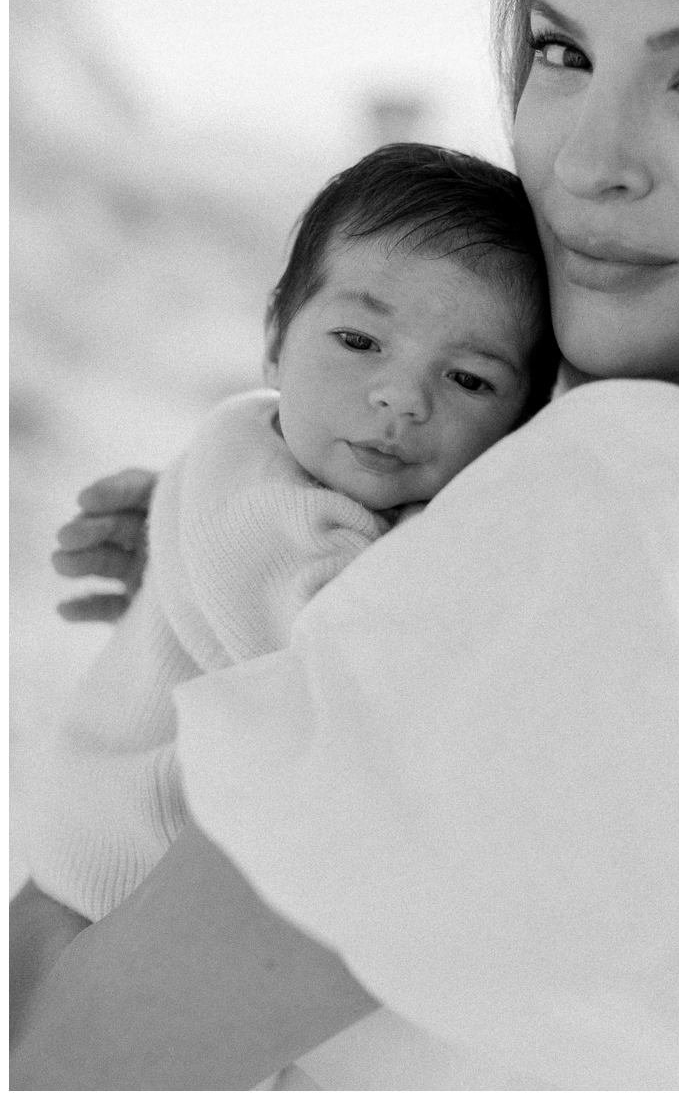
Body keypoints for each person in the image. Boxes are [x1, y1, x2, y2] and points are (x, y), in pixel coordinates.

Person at [29, 0, 679, 1092]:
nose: (586, 161)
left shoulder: (633, 505)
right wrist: (210, 561)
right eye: (559, 49)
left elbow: (72, 1058)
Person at [15, 144, 545, 983]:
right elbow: (368, 670)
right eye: (359, 338)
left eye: (471, 379)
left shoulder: (264, 455)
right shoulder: (266, 502)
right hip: (118, 887)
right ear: (274, 339)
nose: (402, 395)